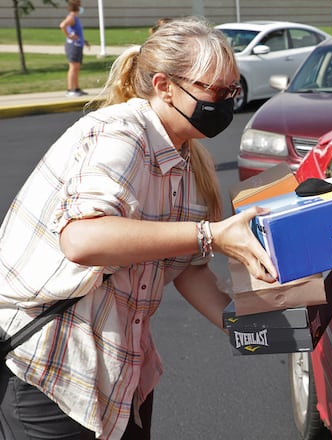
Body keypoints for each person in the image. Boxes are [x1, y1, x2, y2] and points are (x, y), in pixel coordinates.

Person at [0, 17, 276, 439]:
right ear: (165, 86)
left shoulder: (186, 158)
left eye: (233, 91)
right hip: (53, 368)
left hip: (122, 371)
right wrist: (210, 234)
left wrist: (246, 328)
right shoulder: (120, 134)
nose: (226, 103)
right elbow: (82, 238)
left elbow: (187, 267)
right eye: (215, 91)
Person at [59, 0, 89, 97]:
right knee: (73, 67)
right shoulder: (71, 17)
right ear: (76, 6)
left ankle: (76, 88)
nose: (81, 7)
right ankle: (70, 89)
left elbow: (77, 32)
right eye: (80, 5)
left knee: (76, 68)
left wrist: (84, 41)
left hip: (78, 45)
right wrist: (69, 35)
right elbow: (62, 25)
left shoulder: (75, 18)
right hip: (73, 46)